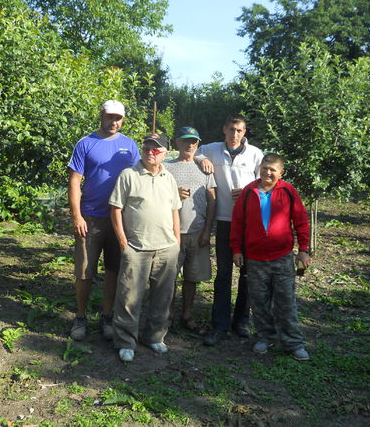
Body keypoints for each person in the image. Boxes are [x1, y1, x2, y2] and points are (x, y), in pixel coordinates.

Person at [67, 100, 139, 341]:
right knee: (85, 270)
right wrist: (76, 215)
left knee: (113, 270)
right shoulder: (86, 143)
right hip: (90, 217)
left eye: (118, 118)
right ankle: (80, 317)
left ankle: (107, 316)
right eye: (110, 117)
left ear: (123, 120)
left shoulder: (130, 146)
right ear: (102, 115)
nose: (114, 122)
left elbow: (141, 176)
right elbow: (75, 180)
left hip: (119, 218)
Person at [231, 153, 312, 360]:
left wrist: (304, 249)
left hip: (282, 257)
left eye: (273, 169)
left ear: (281, 173)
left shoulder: (288, 191)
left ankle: (293, 342)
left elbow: (301, 220)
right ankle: (264, 337)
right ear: (260, 168)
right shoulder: (249, 192)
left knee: (286, 301)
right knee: (259, 301)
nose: (268, 172)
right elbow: (238, 223)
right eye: (265, 168)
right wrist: (236, 250)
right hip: (255, 259)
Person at [109, 133, 182, 362]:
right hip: (137, 248)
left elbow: (174, 211)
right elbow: (115, 209)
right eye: (148, 148)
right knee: (129, 297)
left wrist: (177, 243)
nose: (151, 152)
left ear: (165, 154)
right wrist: (123, 243)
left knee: (163, 297)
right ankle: (126, 341)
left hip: (167, 248)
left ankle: (154, 337)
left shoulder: (168, 178)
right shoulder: (128, 175)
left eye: (156, 149)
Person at [195, 113, 264, 346]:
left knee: (247, 273)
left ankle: (241, 322)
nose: (235, 134)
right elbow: (193, 151)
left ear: (245, 132)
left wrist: (248, 190)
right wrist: (201, 159)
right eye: (231, 129)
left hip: (249, 222)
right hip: (224, 220)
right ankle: (220, 325)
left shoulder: (255, 154)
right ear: (224, 129)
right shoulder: (212, 149)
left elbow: (264, 183)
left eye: (240, 130)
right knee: (224, 273)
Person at [164, 126, 217, 334]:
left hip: (197, 232)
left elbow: (212, 201)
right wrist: (174, 194)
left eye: (194, 141)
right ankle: (167, 316)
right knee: (169, 277)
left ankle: (187, 315)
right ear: (177, 142)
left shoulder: (205, 169)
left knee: (192, 277)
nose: (190, 145)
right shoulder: (167, 168)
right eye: (186, 140)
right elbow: (158, 196)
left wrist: (207, 230)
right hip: (171, 233)